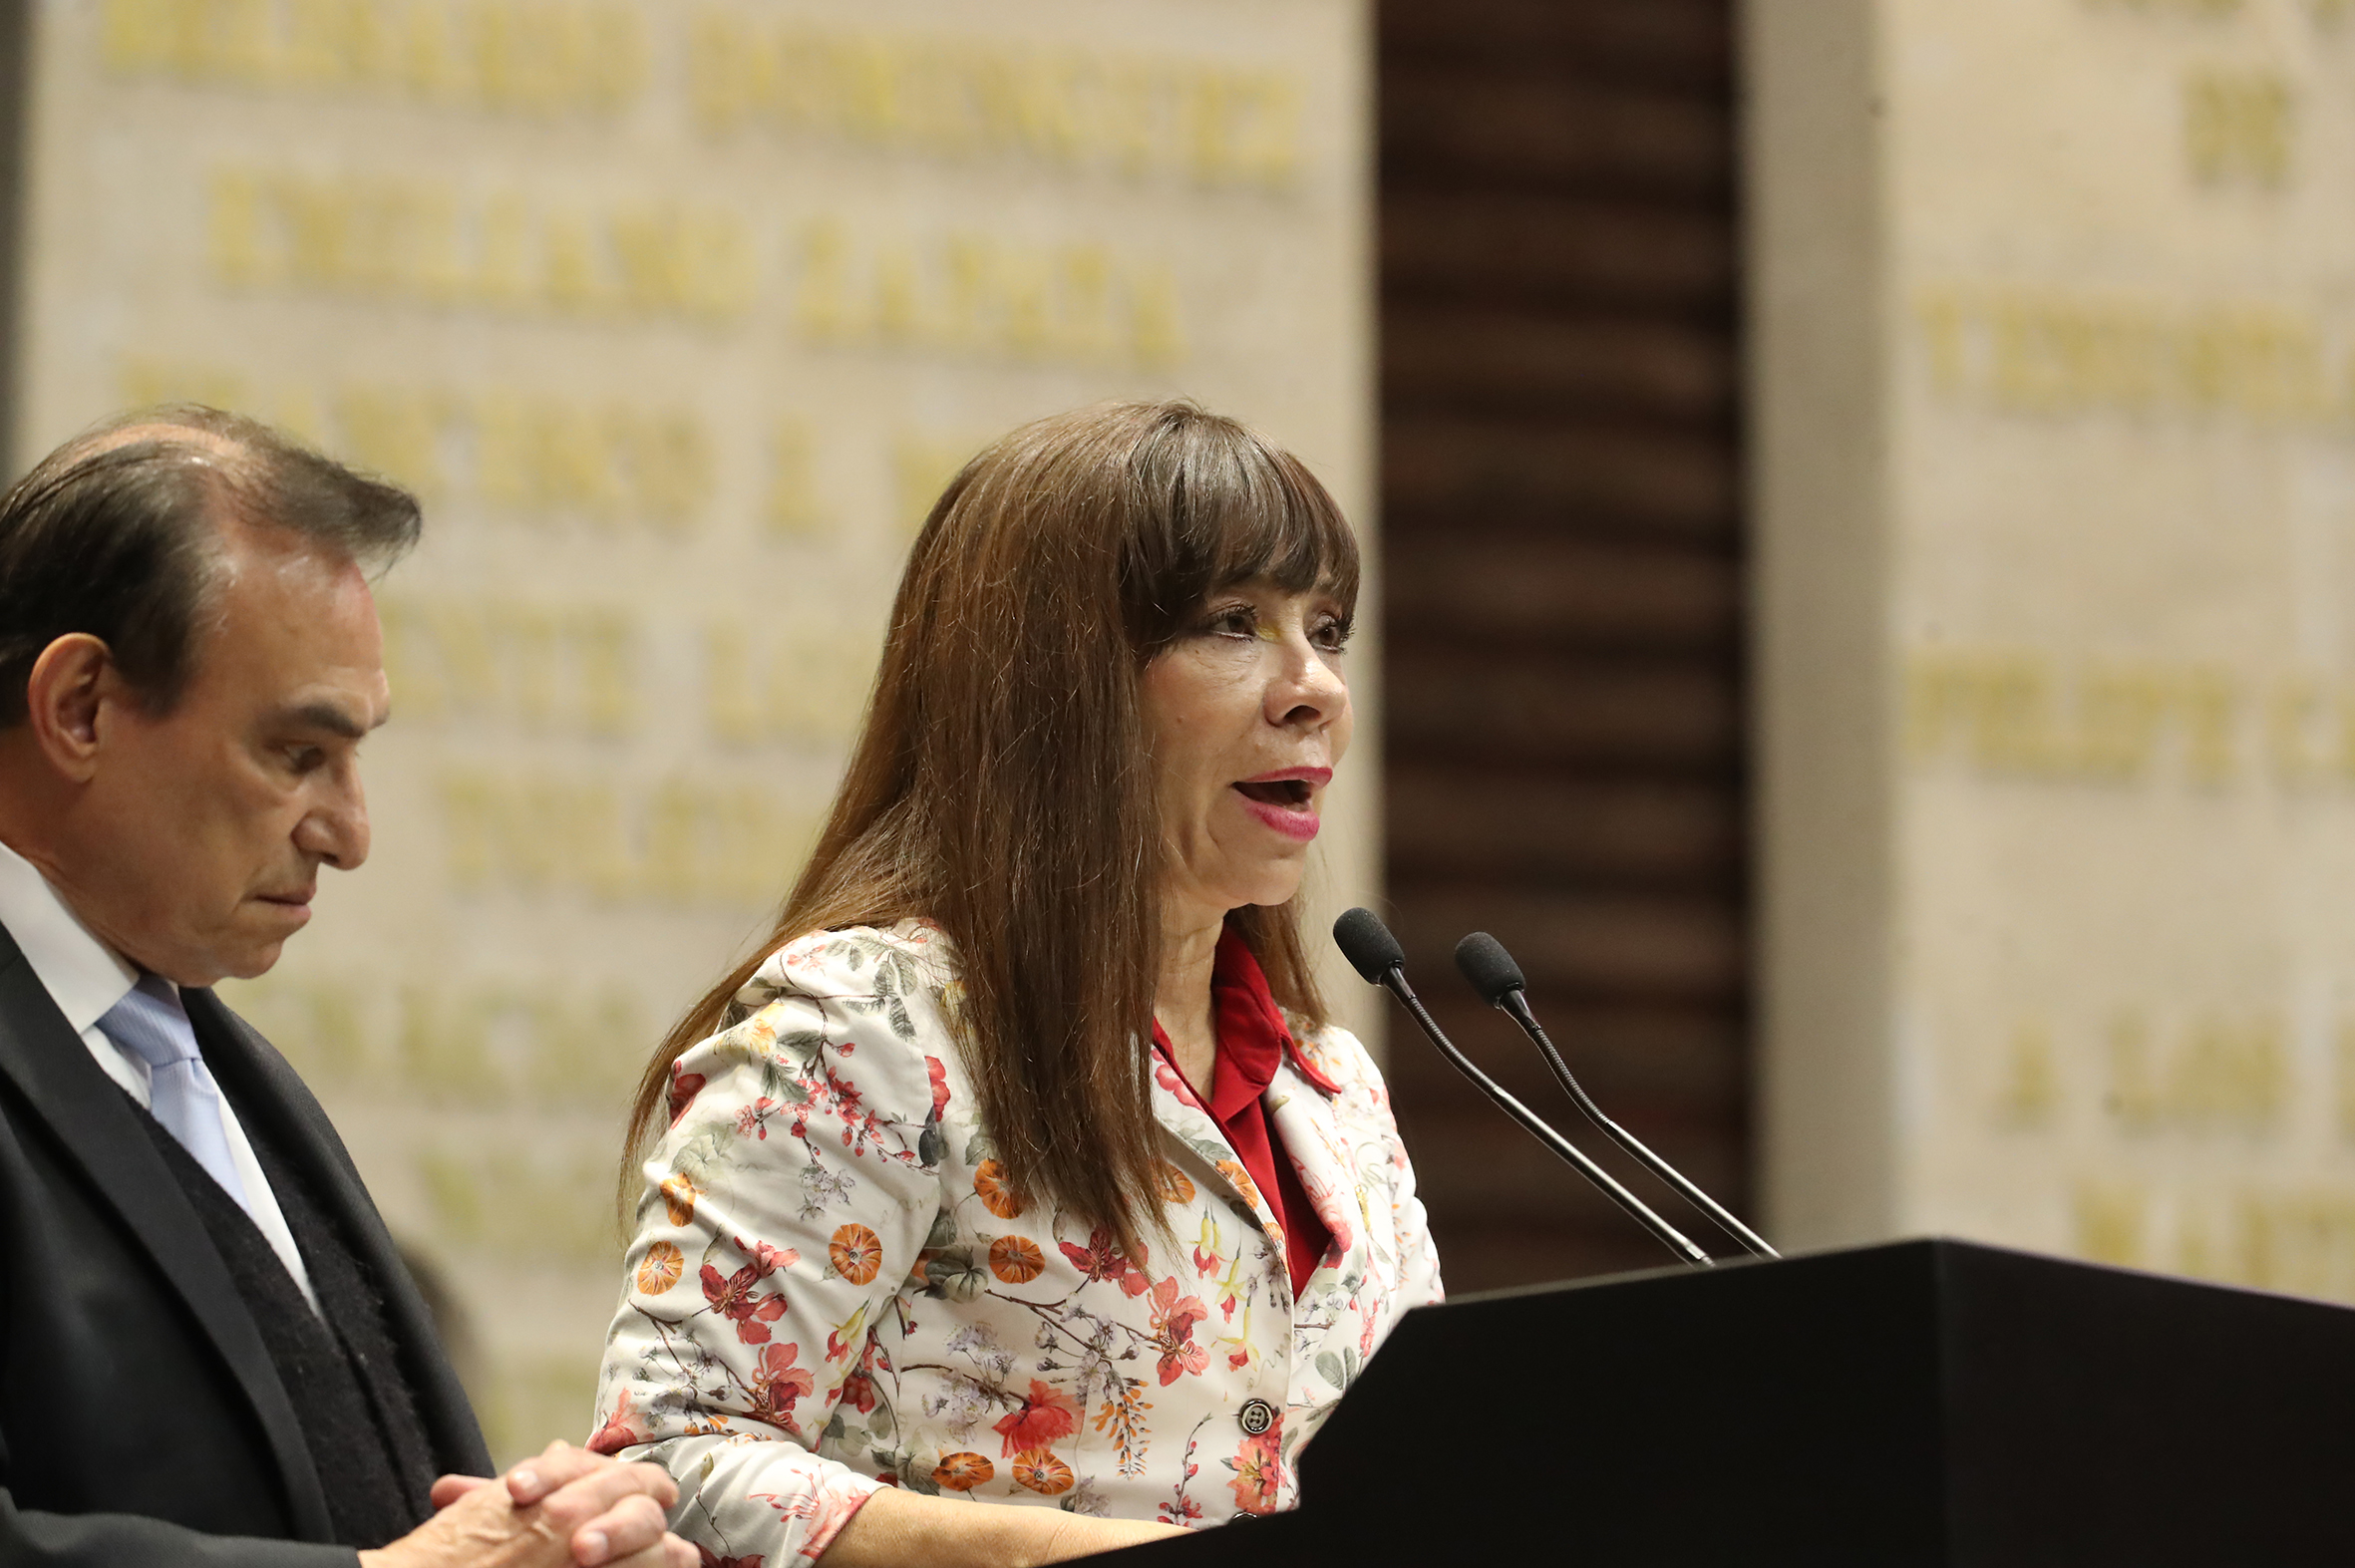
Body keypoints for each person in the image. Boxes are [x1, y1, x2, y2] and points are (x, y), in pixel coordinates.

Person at [592, 402, 1443, 1564]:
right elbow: (671, 1459)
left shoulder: (1330, 1086)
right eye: (1233, 623)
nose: (1316, 690)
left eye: (1328, 628)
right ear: (1057, 684)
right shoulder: (864, 1026)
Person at [0, 406, 694, 1568]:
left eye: (353, 754)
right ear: (80, 708)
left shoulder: (213, 1062)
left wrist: (550, 1543)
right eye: (296, 754)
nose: (350, 833)